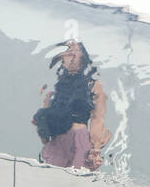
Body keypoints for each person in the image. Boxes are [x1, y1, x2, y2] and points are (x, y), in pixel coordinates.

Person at [31, 39, 112, 171]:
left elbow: (98, 118)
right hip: (58, 142)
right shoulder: (54, 89)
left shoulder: (93, 85)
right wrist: (46, 138)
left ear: (83, 58)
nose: (71, 55)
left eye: (75, 51)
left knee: (72, 181)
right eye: (69, 51)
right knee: (53, 179)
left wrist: (95, 149)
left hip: (78, 140)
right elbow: (43, 121)